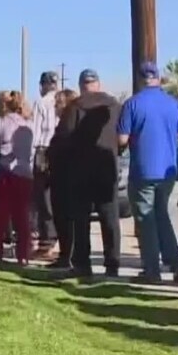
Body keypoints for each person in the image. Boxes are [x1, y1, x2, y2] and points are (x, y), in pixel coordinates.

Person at [118, 61, 178, 285]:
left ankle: (152, 269)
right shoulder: (173, 104)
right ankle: (175, 262)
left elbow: (122, 139)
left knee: (146, 219)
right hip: (167, 169)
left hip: (143, 170)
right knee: (161, 215)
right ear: (158, 78)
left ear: (140, 79)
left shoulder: (132, 104)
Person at [56, 70, 122, 280]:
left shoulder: (74, 107)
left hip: (80, 170)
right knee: (110, 218)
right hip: (107, 168)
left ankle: (83, 264)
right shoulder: (114, 107)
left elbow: (63, 137)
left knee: (81, 219)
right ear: (98, 84)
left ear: (81, 86)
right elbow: (122, 138)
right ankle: (112, 264)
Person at [0, 91, 34, 264]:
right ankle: (23, 254)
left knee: (1, 214)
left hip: (6, 172)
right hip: (26, 172)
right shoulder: (29, 124)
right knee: (22, 215)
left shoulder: (1, 121)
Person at [46, 88, 80, 270]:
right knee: (64, 219)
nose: (55, 108)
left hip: (64, 178)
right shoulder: (68, 124)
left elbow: (61, 149)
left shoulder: (68, 125)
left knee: (65, 218)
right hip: (64, 176)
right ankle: (66, 255)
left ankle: (68, 256)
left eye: (57, 104)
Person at [31, 70, 60, 260]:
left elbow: (35, 132)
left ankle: (47, 242)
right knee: (58, 199)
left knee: (44, 199)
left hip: (43, 151)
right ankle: (56, 240)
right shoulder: (64, 101)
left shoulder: (41, 103)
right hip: (61, 151)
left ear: (43, 85)